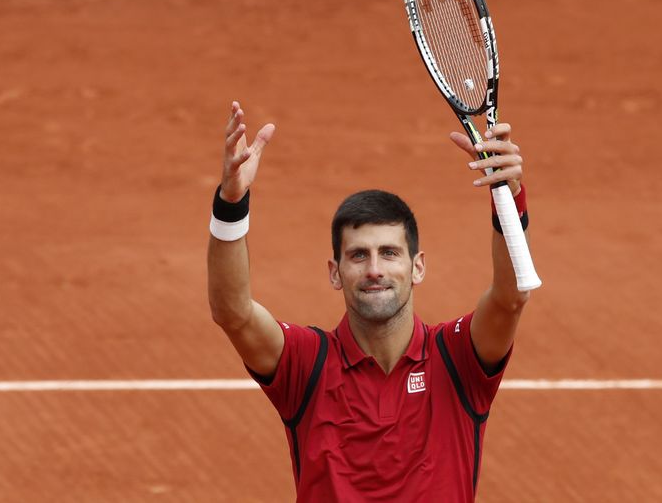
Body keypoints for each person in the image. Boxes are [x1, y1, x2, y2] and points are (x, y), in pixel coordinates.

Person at [207, 100, 533, 502]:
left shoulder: (458, 358)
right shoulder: (305, 364)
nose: (374, 269)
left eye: (390, 253)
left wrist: (508, 196)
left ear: (418, 268)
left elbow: (510, 297)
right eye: (358, 255)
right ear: (334, 272)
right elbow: (233, 312)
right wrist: (231, 204)